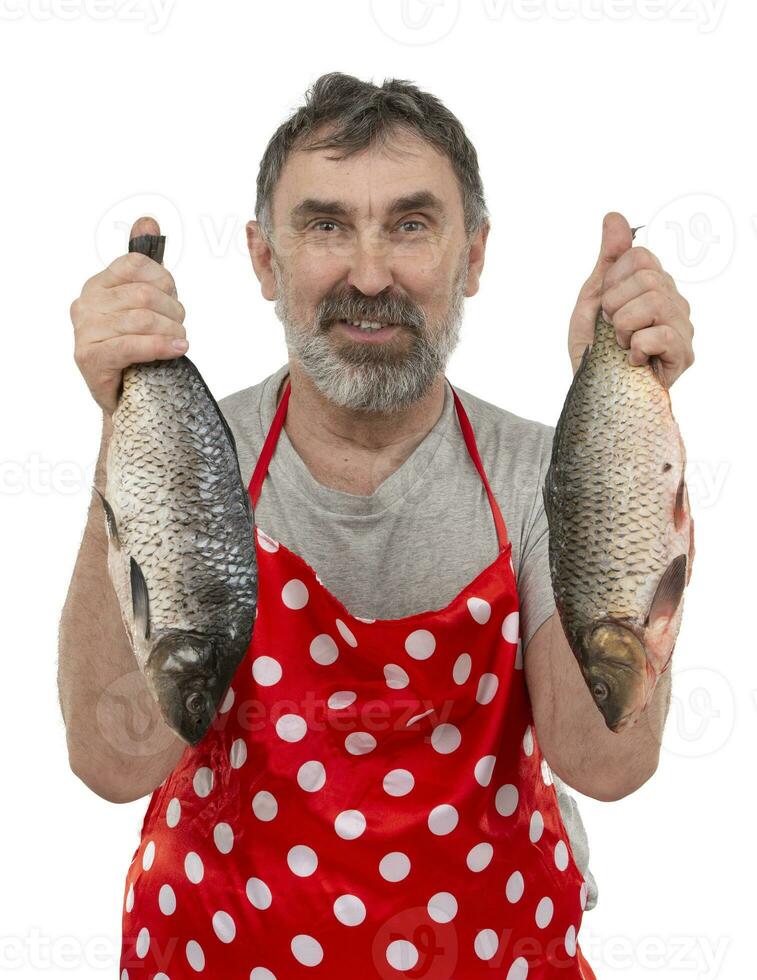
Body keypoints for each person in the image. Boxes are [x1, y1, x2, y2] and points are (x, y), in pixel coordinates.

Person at [59, 72, 695, 978]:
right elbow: (112, 761)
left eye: (409, 224)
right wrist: (128, 428)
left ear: (472, 255)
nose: (368, 274)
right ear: (265, 260)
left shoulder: (537, 472)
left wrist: (623, 414)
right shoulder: (203, 459)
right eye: (325, 225)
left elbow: (607, 761)